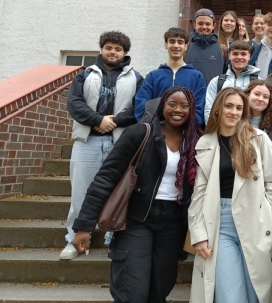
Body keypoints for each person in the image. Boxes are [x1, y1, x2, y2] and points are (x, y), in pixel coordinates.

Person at [72, 87, 202, 302]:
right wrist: (84, 224)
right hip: (137, 219)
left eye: (184, 106)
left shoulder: (197, 141)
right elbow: (106, 177)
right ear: (162, 106)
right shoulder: (140, 133)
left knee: (160, 287)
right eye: (172, 104)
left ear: (192, 110)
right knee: (132, 290)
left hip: (174, 223)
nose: (177, 110)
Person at [188, 87, 272, 303]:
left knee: (257, 293)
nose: (234, 112)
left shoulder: (258, 139)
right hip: (219, 225)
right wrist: (198, 234)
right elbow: (199, 193)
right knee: (230, 297)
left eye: (239, 108)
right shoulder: (206, 142)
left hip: (256, 220)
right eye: (229, 106)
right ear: (217, 109)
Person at [61, 31, 143, 260]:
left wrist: (113, 121)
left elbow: (138, 108)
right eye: (109, 47)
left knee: (117, 191)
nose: (113, 52)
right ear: (101, 49)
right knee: (80, 192)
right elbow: (75, 104)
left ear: (125, 53)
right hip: (87, 141)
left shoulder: (135, 77)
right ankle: (73, 238)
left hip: (120, 143)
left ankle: (111, 238)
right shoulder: (84, 75)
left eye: (118, 49)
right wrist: (99, 120)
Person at [135, 28, 207, 126]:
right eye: (172, 41)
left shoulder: (197, 76)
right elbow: (140, 104)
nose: (176, 45)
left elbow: (199, 109)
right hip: (156, 132)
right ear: (166, 45)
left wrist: (187, 128)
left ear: (186, 46)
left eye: (180, 42)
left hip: (185, 134)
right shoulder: (153, 76)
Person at [204, 40, 260, 122]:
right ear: (229, 56)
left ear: (249, 56)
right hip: (221, 131)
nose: (239, 57)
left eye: (243, 54)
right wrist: (215, 131)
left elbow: (260, 111)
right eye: (235, 54)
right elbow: (209, 109)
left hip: (248, 132)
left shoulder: (258, 82)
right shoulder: (217, 82)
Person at [185, 8, 228, 87]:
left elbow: (227, 75)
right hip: (190, 96)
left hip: (214, 95)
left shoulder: (222, 49)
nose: (204, 27)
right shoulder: (186, 47)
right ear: (194, 25)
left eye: (208, 24)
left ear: (213, 25)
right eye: (200, 23)